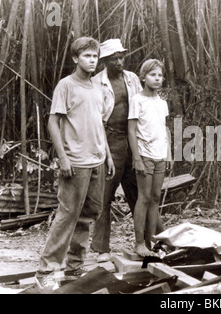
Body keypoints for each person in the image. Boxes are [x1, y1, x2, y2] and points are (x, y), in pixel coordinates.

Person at [35, 37, 115, 290]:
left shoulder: (98, 87)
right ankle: (46, 270)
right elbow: (53, 122)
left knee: (89, 214)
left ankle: (74, 267)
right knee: (68, 215)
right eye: (87, 56)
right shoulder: (66, 86)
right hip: (76, 162)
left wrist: (108, 156)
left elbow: (98, 125)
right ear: (75, 59)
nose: (92, 61)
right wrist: (63, 157)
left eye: (95, 57)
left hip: (97, 160)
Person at [90, 39, 141, 263]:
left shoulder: (132, 78)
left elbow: (142, 109)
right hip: (109, 139)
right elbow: (96, 121)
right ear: (105, 61)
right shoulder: (96, 83)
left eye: (121, 57)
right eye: (114, 59)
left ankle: (147, 241)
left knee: (139, 192)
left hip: (133, 140)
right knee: (105, 195)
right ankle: (102, 249)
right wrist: (105, 152)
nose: (119, 62)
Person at [128, 59, 173, 257]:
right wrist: (136, 158)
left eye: (160, 75)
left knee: (155, 197)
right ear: (143, 77)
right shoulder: (137, 100)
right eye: (153, 75)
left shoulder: (162, 103)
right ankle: (139, 243)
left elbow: (164, 129)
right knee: (144, 198)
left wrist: (169, 153)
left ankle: (151, 241)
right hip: (144, 155)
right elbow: (131, 130)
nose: (157, 79)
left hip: (160, 154)